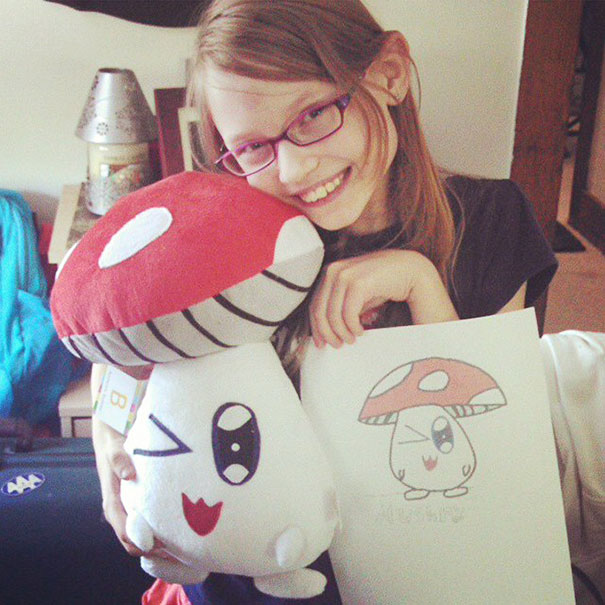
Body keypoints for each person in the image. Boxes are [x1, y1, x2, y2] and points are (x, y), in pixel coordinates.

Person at [91, 0, 558, 603]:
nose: (292, 169)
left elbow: (490, 455)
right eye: (252, 147)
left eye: (312, 115)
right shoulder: (234, 249)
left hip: (410, 575)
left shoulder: (491, 222)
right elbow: (123, 334)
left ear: (389, 74)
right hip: (247, 583)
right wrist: (107, 430)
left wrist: (421, 284)